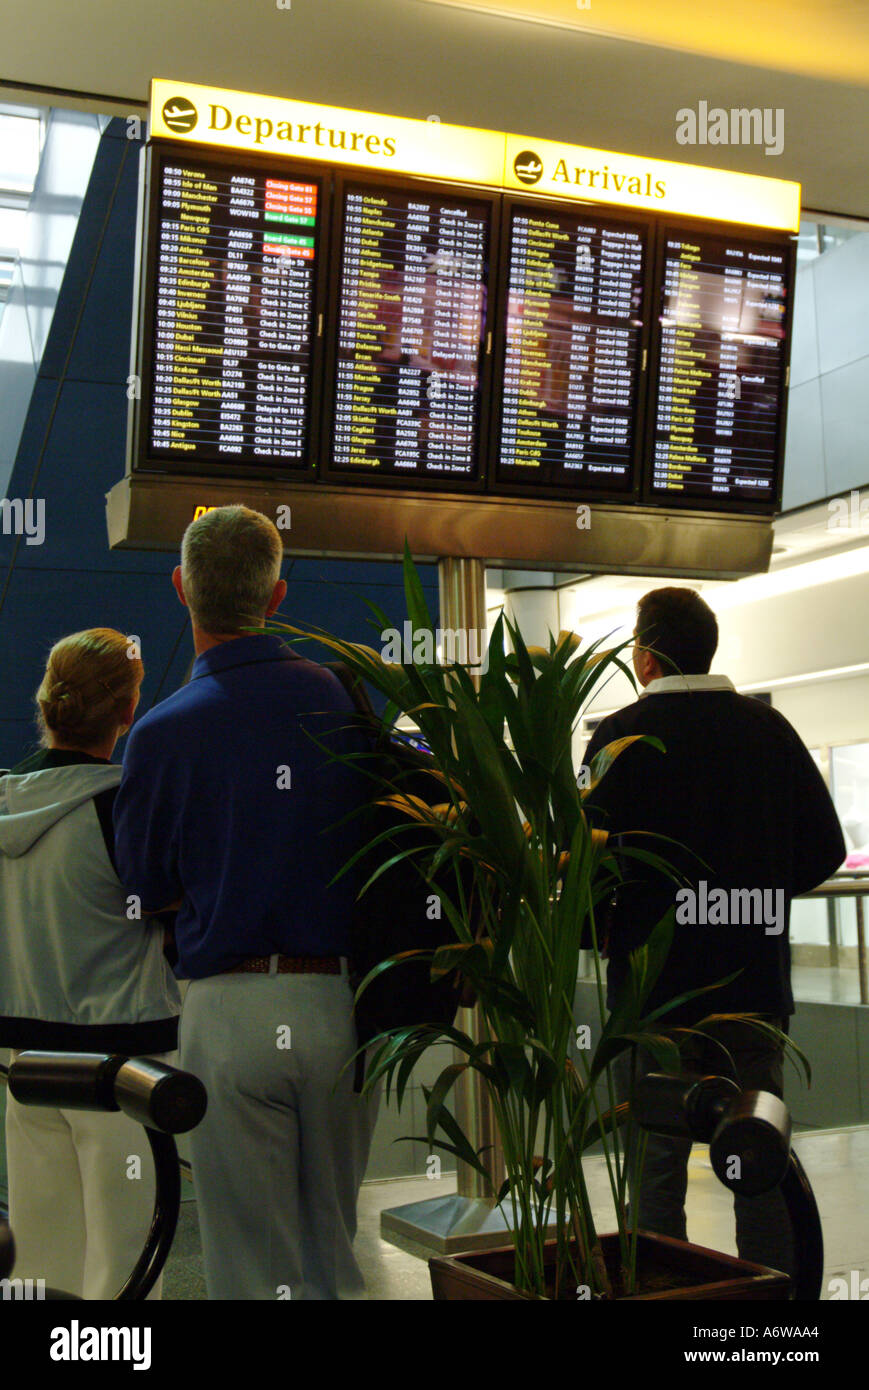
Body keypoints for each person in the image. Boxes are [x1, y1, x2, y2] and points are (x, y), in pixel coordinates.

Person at [113, 505, 377, 1300]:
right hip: (343, 1003)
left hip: (227, 1011)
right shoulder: (347, 704)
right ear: (279, 594)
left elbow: (145, 889)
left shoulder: (160, 733)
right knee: (333, 1240)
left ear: (180, 588)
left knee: (247, 1263)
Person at [584, 586, 845, 1278]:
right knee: (756, 1154)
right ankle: (768, 1311)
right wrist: (749, 894)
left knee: (654, 1165)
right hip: (750, 988)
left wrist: (602, 931)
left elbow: (592, 863)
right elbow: (824, 849)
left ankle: (660, 1295)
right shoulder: (768, 730)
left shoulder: (618, 737)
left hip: (651, 996)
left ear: (643, 659)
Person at [0, 629, 180, 1299]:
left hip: (25, 1063)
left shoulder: (2, 802)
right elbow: (170, 917)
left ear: (45, 703)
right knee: (127, 1263)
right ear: (128, 711)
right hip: (120, 1067)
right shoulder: (122, 808)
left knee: (41, 1259)